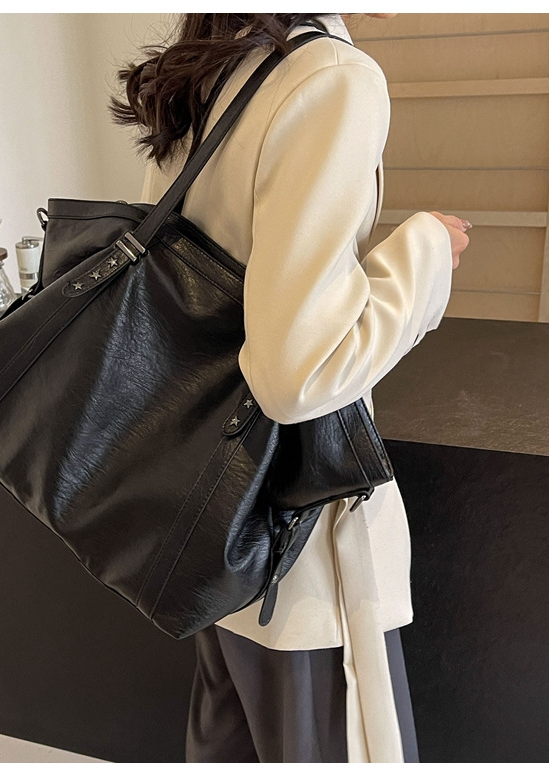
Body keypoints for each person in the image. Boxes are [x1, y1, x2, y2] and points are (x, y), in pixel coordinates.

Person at [112, 13, 470, 763]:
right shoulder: (331, 76)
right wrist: (426, 254)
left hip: (215, 516)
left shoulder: (211, 64)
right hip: (296, 542)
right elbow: (298, 373)